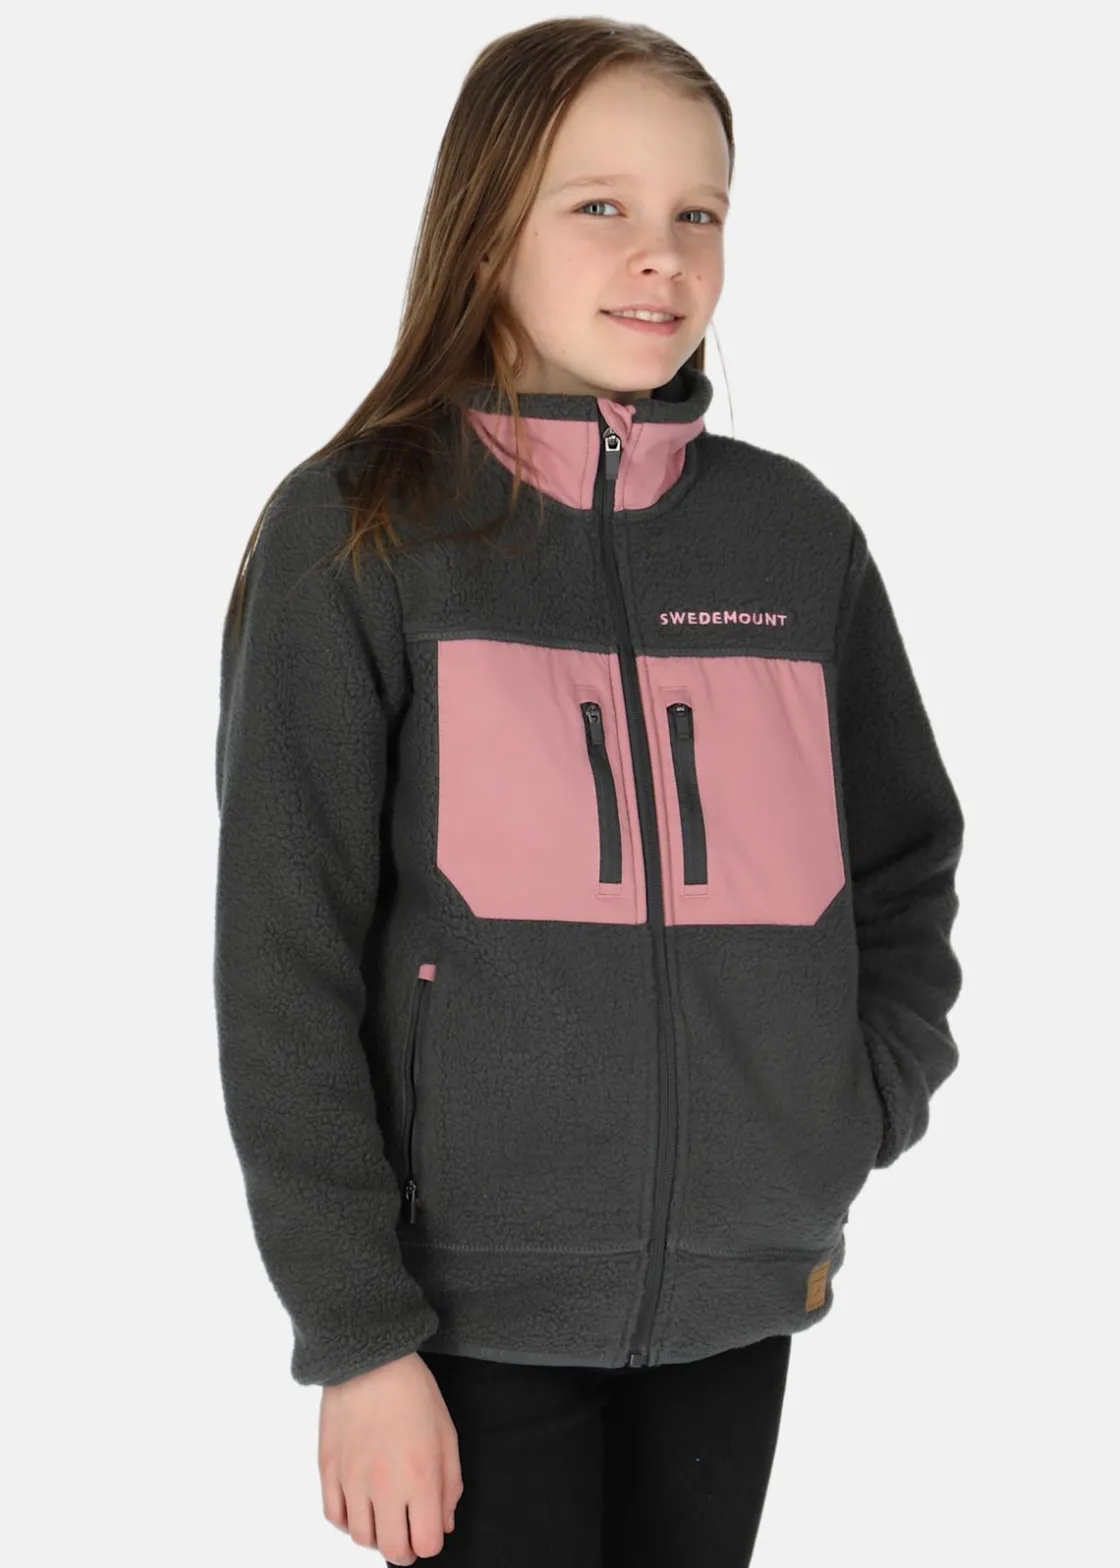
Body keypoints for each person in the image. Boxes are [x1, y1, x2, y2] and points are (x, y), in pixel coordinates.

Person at [212, 18, 965, 1567]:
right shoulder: (361, 533)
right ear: (488, 223)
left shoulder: (794, 541)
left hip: (742, 1291)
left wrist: (849, 1110)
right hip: (460, 1315)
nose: (661, 255)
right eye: (600, 205)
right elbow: (283, 962)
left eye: (700, 211)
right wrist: (356, 1335)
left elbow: (902, 858)